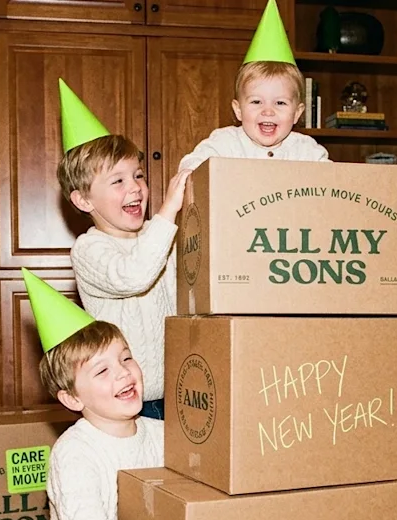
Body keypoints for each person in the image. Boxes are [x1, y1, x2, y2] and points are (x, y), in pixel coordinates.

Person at [22, 269, 207, 520]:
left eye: (126, 358)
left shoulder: (164, 435)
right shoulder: (74, 454)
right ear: (71, 398)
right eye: (102, 371)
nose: (124, 373)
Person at [57, 79, 191, 420]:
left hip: (180, 390)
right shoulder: (89, 249)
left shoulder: (159, 235)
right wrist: (168, 211)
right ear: (83, 199)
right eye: (118, 181)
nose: (136, 188)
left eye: (139, 175)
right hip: (127, 401)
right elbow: (134, 275)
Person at [178, 0, 329, 171]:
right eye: (256, 102)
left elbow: (333, 178)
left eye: (280, 103)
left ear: (297, 113)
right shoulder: (224, 143)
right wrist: (192, 172)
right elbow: (191, 167)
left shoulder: (307, 150)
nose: (268, 111)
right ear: (238, 110)